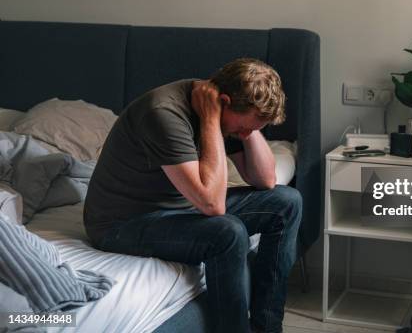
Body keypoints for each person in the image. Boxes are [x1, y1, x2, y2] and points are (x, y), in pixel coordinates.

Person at [83, 58, 302, 333]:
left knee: (287, 202)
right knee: (227, 231)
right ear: (223, 101)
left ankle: (267, 328)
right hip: (122, 223)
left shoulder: (228, 111)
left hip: (179, 206)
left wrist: (249, 132)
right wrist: (211, 121)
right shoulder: (163, 113)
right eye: (245, 127)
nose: (245, 134)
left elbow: (266, 180)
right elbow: (213, 204)